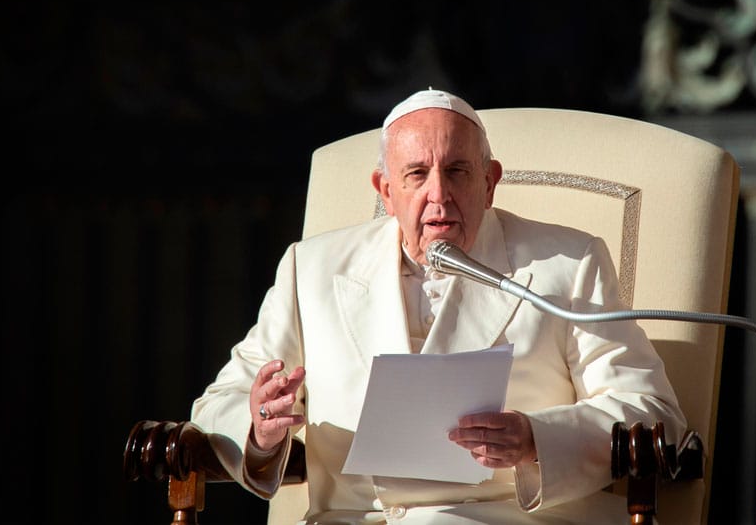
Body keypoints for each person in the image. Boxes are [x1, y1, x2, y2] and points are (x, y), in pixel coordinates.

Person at [191, 88, 686, 524]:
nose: (438, 195)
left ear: (490, 182)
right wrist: (260, 429)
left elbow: (653, 413)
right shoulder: (312, 269)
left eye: (457, 171)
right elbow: (217, 406)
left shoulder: (567, 264)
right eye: (415, 174)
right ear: (385, 192)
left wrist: (537, 438)